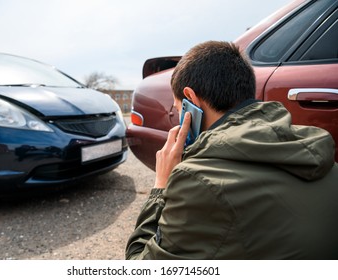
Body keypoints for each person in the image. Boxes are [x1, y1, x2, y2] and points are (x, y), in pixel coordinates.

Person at [125, 41, 338, 259]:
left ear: (191, 99)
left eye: (179, 109)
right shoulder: (322, 156)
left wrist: (161, 185)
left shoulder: (197, 180)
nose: (177, 119)